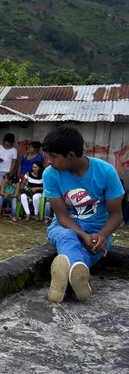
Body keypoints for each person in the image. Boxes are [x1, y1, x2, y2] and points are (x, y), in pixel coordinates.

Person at [42, 126, 125, 303]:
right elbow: (62, 217)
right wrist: (82, 234)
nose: (49, 161)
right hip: (64, 226)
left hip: (98, 229)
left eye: (54, 156)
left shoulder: (106, 172)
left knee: (90, 249)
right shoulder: (50, 174)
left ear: (70, 155)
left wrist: (101, 235)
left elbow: (117, 215)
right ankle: (76, 280)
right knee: (66, 236)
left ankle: (65, 281)